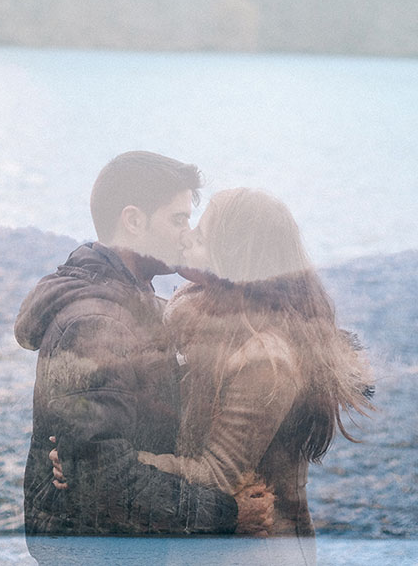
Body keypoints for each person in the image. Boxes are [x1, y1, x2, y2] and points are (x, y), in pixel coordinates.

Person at [14, 152, 271, 550]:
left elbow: (107, 456)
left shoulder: (139, 303)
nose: (187, 234)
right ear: (133, 221)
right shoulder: (95, 326)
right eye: (178, 219)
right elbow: (105, 481)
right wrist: (227, 515)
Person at [133, 187, 375, 563]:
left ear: (234, 258)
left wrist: (114, 465)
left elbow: (216, 476)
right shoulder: (198, 316)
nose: (187, 236)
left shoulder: (264, 360)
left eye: (201, 234)